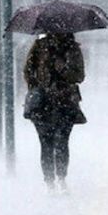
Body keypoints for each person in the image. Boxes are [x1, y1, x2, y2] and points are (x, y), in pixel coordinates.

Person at [23, 32, 86, 194]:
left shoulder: (72, 49)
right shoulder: (39, 47)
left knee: (62, 142)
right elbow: (28, 71)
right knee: (46, 143)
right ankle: (50, 182)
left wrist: (63, 68)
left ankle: (61, 179)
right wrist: (38, 87)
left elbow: (79, 76)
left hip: (65, 103)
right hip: (43, 104)